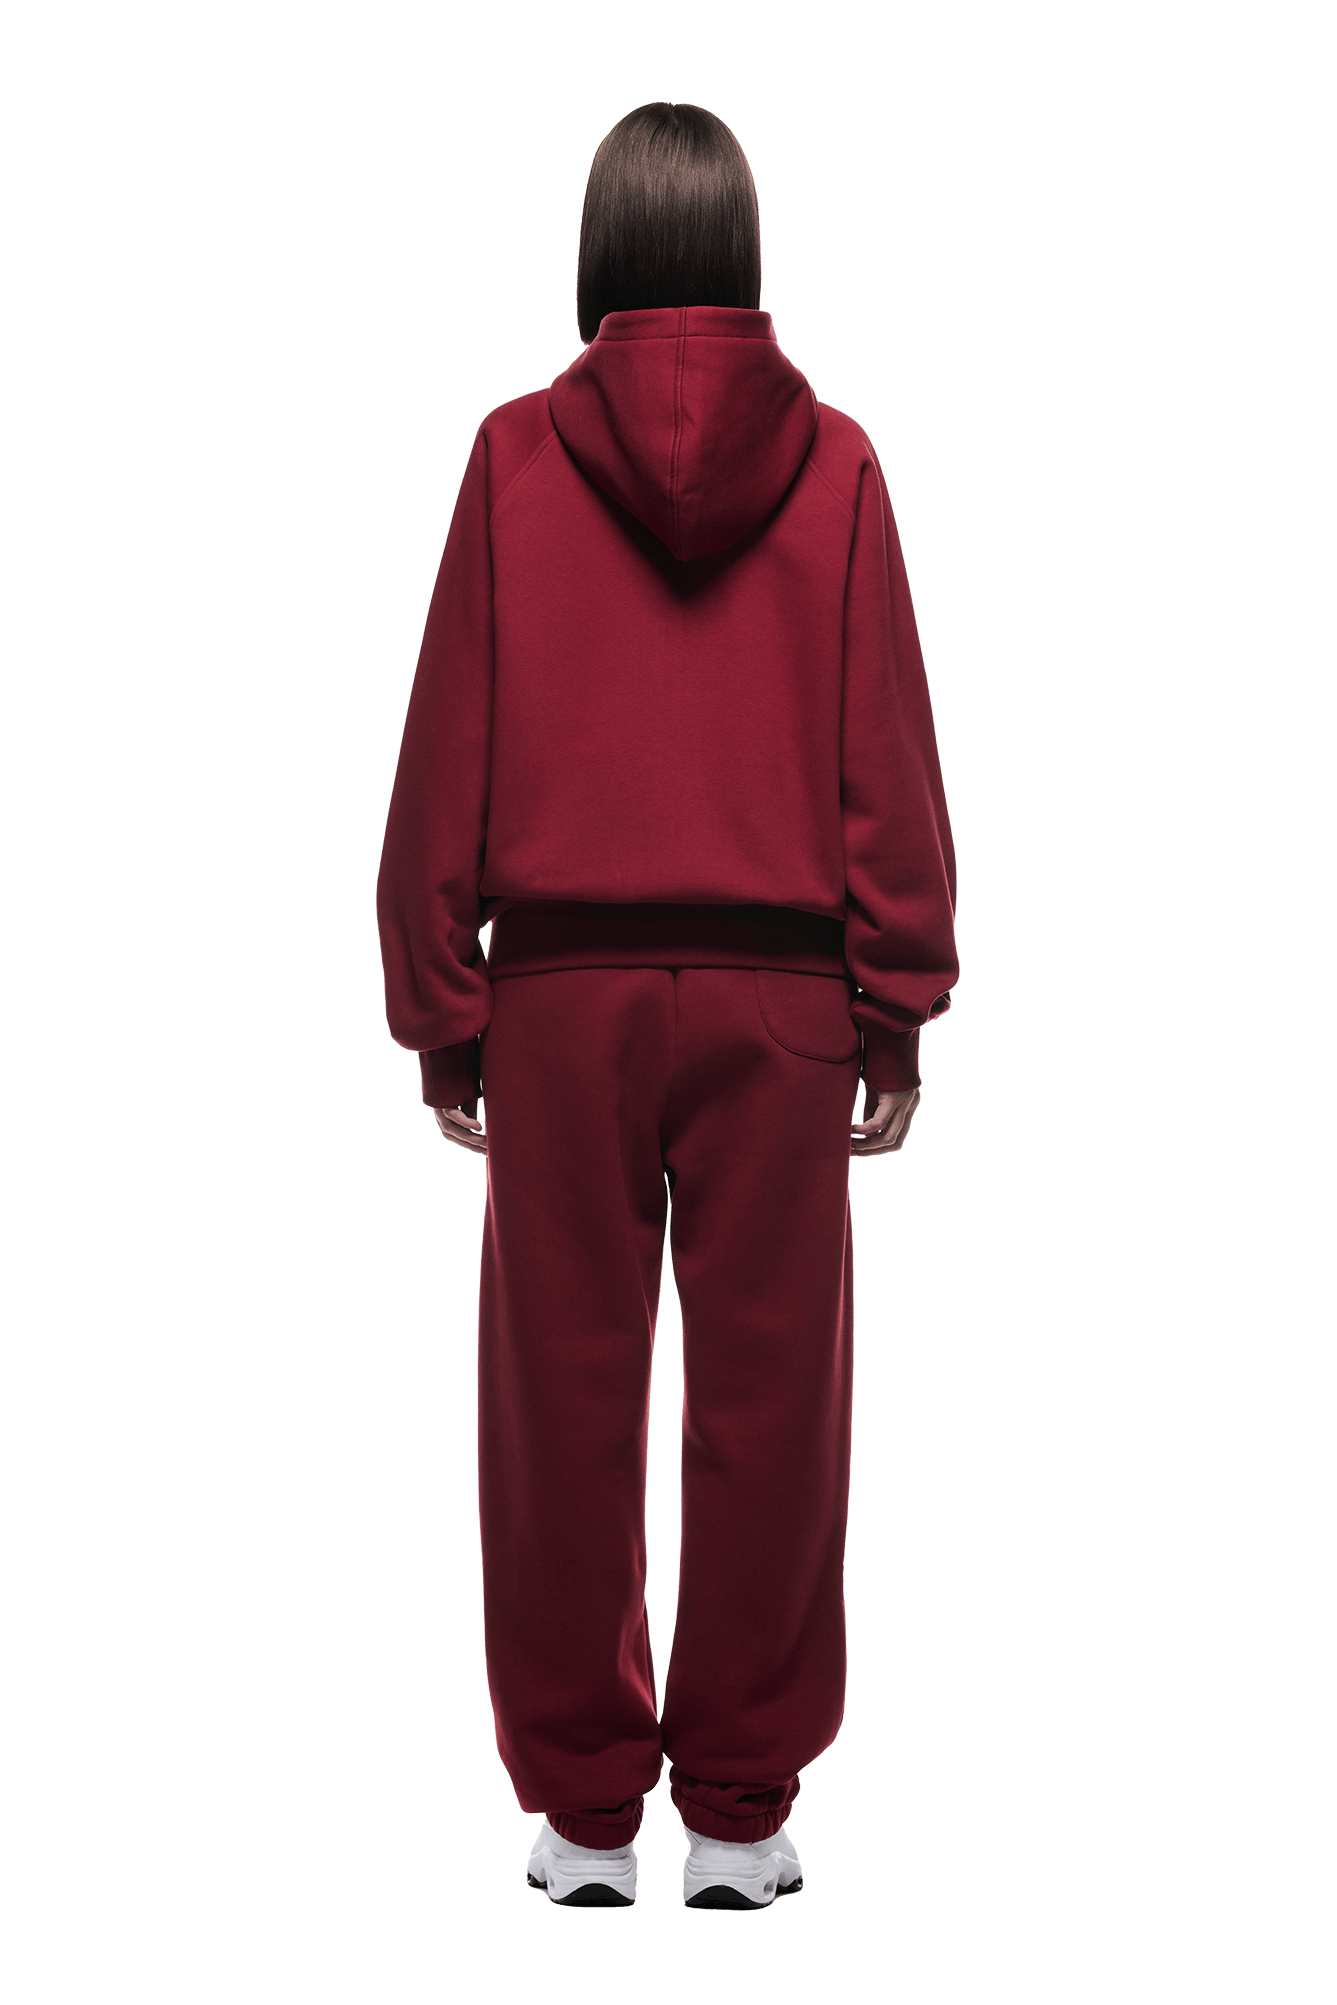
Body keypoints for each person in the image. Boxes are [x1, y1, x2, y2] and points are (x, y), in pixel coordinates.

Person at [375, 101, 959, 1911]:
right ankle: (741, 1819)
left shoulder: (510, 458)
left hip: (561, 1000)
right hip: (783, 1006)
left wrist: (443, 1003)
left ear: (599, 256)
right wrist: (894, 998)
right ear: (745, 255)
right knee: (777, 1406)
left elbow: (451, 736)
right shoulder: (840, 463)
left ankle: (579, 1824)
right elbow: (881, 741)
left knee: (557, 1399)